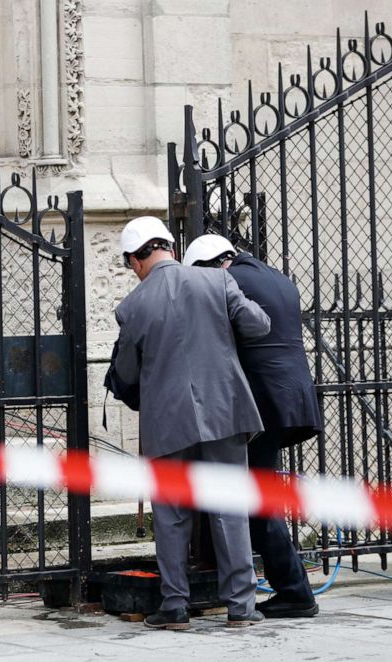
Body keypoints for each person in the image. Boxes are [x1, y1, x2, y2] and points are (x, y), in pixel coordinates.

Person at [113, 216, 271, 630]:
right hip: (225, 411)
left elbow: (126, 374)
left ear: (135, 260)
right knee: (229, 509)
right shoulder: (217, 282)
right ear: (170, 247)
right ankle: (241, 607)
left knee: (172, 514)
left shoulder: (132, 306)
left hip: (168, 422)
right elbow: (257, 325)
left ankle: (175, 606)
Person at [184, 234, 322, 619]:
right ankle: (291, 588)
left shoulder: (231, 282)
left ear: (213, 266)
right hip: (291, 397)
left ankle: (295, 591)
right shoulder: (274, 276)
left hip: (261, 403)